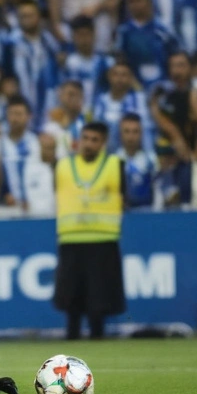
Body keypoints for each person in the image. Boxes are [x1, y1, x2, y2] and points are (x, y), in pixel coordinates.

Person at [53, 121, 126, 340]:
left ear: (103, 143)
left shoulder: (115, 164)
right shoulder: (63, 166)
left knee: (99, 303)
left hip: (103, 239)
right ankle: (71, 341)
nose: (88, 144)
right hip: (71, 239)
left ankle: (98, 341)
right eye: (85, 138)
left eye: (94, 140)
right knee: (71, 302)